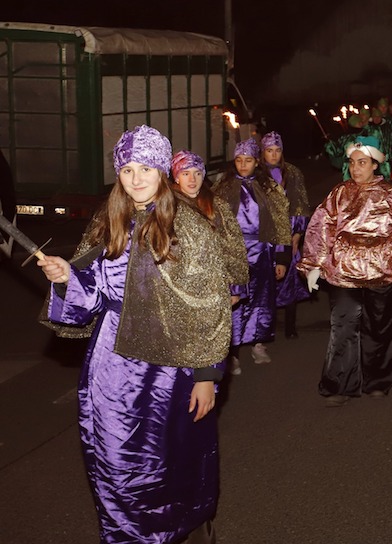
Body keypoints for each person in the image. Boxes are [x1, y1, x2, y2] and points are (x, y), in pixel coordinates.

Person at [37, 125, 234, 542]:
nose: (136, 178)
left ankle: (187, 527)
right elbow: (91, 297)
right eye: (127, 170)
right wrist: (67, 277)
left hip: (171, 369)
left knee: (171, 458)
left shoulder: (190, 227)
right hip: (111, 367)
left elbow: (211, 307)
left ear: (161, 170)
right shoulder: (109, 221)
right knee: (115, 462)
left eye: (145, 168)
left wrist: (206, 376)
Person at [297, 136, 392, 407]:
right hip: (343, 272)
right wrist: (314, 265)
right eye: (352, 163)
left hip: (382, 272)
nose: (355, 168)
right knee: (343, 327)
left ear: (375, 165)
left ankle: (377, 381)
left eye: (362, 163)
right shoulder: (339, 193)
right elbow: (322, 228)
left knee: (379, 328)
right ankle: (339, 385)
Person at [212, 138, 291, 374]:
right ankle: (232, 352)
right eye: (239, 160)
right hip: (232, 253)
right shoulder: (223, 188)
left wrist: (281, 257)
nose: (243, 165)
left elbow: (281, 224)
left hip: (262, 249)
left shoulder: (269, 188)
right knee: (234, 300)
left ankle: (258, 343)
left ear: (257, 162)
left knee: (262, 299)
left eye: (248, 160)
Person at [171, 149, 249, 295]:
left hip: (216, 285)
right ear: (177, 178)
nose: (192, 179)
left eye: (197, 173)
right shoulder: (169, 207)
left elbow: (233, 245)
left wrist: (234, 288)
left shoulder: (218, 206)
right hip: (182, 288)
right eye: (186, 174)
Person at [260, 131, 311, 338]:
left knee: (290, 278)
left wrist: (297, 233)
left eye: (277, 150)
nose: (274, 155)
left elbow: (300, 204)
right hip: (265, 234)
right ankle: (266, 326)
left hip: (288, 232)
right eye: (269, 150)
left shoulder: (292, 173)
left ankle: (290, 325)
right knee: (266, 280)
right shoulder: (257, 175)